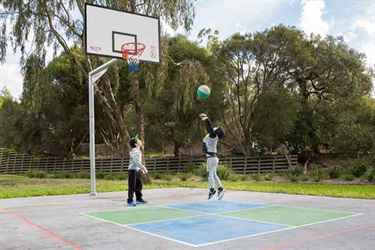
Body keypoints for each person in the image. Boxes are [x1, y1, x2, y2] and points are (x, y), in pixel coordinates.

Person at [199, 113, 226, 200]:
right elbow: (209, 129)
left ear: (216, 131)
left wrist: (207, 119)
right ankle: (220, 188)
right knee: (213, 174)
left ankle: (212, 190)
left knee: (210, 174)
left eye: (216, 128)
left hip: (212, 158)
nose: (215, 127)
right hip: (212, 158)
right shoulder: (211, 135)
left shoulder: (214, 136)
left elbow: (210, 128)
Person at [127, 134, 148, 206]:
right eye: (138, 140)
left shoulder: (137, 151)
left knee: (139, 185)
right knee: (132, 186)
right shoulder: (135, 152)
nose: (140, 140)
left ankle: (139, 198)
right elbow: (137, 162)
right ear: (136, 144)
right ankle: (130, 200)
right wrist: (144, 168)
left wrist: (140, 170)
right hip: (132, 171)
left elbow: (138, 164)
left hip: (137, 170)